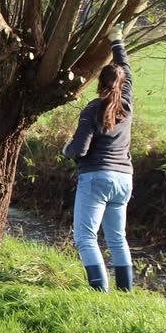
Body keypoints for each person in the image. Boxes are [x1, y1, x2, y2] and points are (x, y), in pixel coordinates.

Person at [63, 24, 134, 293]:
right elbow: (126, 70)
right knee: (117, 239)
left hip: (96, 177)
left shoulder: (92, 109)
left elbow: (80, 149)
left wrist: (65, 150)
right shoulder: (126, 104)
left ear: (98, 84)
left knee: (85, 238)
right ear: (121, 84)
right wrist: (117, 42)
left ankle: (98, 292)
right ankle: (126, 293)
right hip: (124, 178)